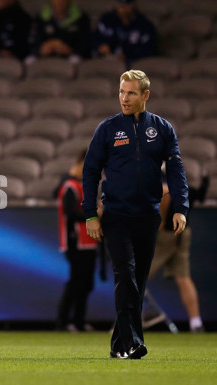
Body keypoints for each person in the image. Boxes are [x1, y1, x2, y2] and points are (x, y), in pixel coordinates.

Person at [82, 70, 189, 359]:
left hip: (148, 216)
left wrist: (180, 208)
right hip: (116, 215)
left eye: (130, 93)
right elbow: (90, 171)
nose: (124, 98)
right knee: (126, 276)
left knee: (137, 283)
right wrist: (91, 214)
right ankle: (131, 343)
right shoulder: (107, 129)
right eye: (121, 92)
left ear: (145, 95)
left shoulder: (163, 129)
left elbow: (177, 171)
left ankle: (120, 346)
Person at [147, 173, 208, 332]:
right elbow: (197, 195)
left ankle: (126, 321)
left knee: (137, 275)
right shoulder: (182, 177)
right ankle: (196, 323)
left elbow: (164, 193)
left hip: (166, 235)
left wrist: (157, 227)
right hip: (182, 232)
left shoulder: (162, 175)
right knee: (183, 278)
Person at [55, 149, 98, 332]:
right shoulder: (70, 186)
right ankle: (63, 322)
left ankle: (79, 320)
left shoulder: (80, 186)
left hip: (88, 241)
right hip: (75, 241)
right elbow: (70, 214)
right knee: (76, 282)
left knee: (85, 283)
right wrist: (94, 215)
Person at [93, 0, 157, 67]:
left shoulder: (144, 25)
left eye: (126, 5)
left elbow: (149, 49)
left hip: (132, 62)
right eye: (120, 4)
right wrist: (100, 47)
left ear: (134, 6)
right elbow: (94, 38)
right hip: (107, 59)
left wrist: (128, 56)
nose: (122, 8)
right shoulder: (107, 19)